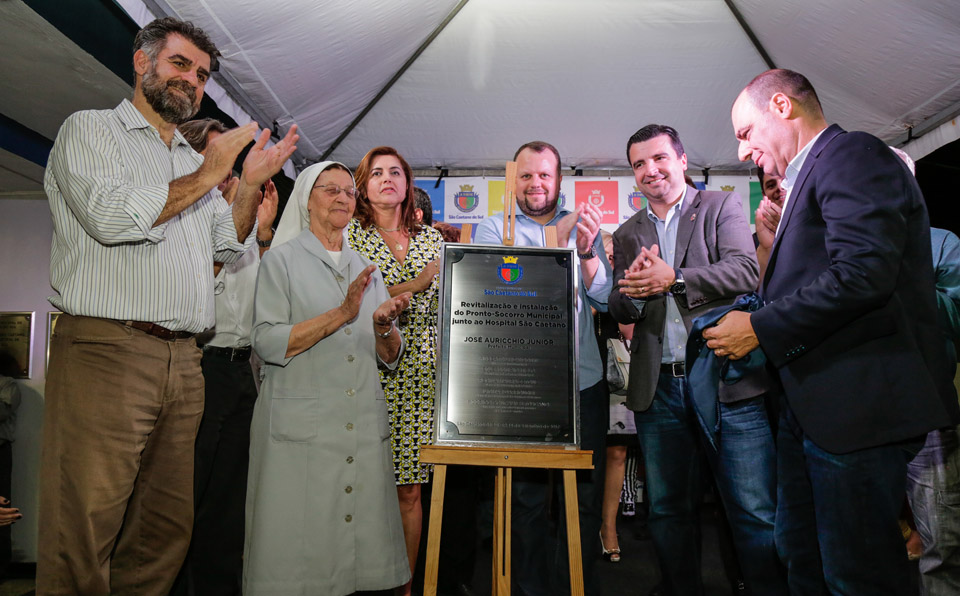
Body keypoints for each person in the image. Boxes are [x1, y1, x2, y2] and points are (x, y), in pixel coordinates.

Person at [38, 17, 298, 595]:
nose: (192, 81)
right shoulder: (89, 130)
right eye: (181, 64)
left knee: (163, 532)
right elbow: (109, 219)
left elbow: (223, 247)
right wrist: (211, 172)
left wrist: (248, 183)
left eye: (202, 75)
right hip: (107, 348)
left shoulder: (187, 156)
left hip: (184, 360)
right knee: (84, 526)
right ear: (142, 62)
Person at [707, 68, 959, 594]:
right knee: (804, 560)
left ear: (781, 106)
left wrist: (759, 326)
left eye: (744, 132)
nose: (741, 151)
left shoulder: (854, 154)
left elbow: (864, 273)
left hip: (857, 411)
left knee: (857, 575)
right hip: (817, 411)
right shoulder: (807, 179)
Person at [609, 124, 784, 596]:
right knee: (667, 511)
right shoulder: (628, 233)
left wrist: (675, 280)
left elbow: (746, 271)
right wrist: (635, 292)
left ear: (683, 160)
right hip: (658, 389)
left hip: (726, 380)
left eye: (660, 158)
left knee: (752, 509)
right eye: (639, 164)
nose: (651, 170)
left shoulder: (720, 205)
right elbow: (618, 308)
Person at [243, 161, 412, 595]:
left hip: (356, 428)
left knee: (354, 563)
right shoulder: (281, 262)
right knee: (300, 556)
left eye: (348, 192)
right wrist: (342, 314)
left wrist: (381, 326)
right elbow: (267, 342)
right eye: (329, 189)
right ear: (306, 199)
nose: (342, 198)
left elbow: (390, 358)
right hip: (303, 437)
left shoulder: (366, 267)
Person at [475, 140, 612, 596]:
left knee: (584, 499)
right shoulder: (494, 229)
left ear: (559, 180)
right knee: (525, 499)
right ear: (514, 180)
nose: (536, 184)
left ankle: (575, 586)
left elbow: (603, 298)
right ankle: (529, 589)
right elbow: (504, 293)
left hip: (582, 382)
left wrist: (588, 251)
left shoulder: (584, 229)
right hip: (523, 387)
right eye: (528, 175)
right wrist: (564, 235)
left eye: (545, 175)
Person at [170, 118, 278, 596]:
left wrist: (262, 236)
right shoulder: (180, 215)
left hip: (240, 372)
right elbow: (193, 293)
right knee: (184, 500)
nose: (231, 172)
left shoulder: (244, 220)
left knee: (229, 502)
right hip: (199, 363)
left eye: (232, 163)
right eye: (220, 159)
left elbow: (264, 305)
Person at [347, 146, 444, 595]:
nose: (387, 179)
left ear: (408, 185)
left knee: (409, 491)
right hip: (364, 373)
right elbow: (354, 300)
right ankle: (359, 582)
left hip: (422, 379)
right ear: (363, 186)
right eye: (377, 173)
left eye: (396, 173)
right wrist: (418, 282)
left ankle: (404, 587)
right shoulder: (349, 237)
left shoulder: (434, 242)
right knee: (361, 488)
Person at [596, 231, 635, 565]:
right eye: (603, 255)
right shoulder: (582, 279)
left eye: (613, 257)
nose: (609, 261)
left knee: (618, 452)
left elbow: (630, 330)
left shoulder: (623, 287)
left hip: (618, 373)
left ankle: (609, 527)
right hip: (582, 374)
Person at [0, 357, 22, 578]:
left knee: (3, 509)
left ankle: (1, 566)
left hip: (0, 450)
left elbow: (2, 413)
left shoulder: (7, 385)